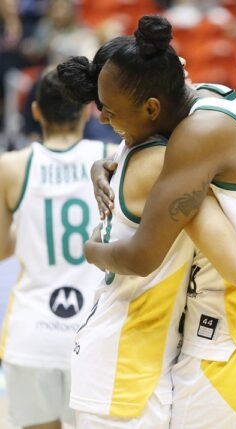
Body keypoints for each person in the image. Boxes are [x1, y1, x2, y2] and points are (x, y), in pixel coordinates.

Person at [60, 15, 236, 428]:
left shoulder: (194, 139)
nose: (105, 121)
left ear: (152, 107)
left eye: (112, 112)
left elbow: (149, 256)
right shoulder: (214, 98)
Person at [0, 68, 109, 429]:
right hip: (96, 331)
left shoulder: (10, 167)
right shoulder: (115, 157)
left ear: (35, 111)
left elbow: (2, 249)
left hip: (33, 331)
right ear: (87, 112)